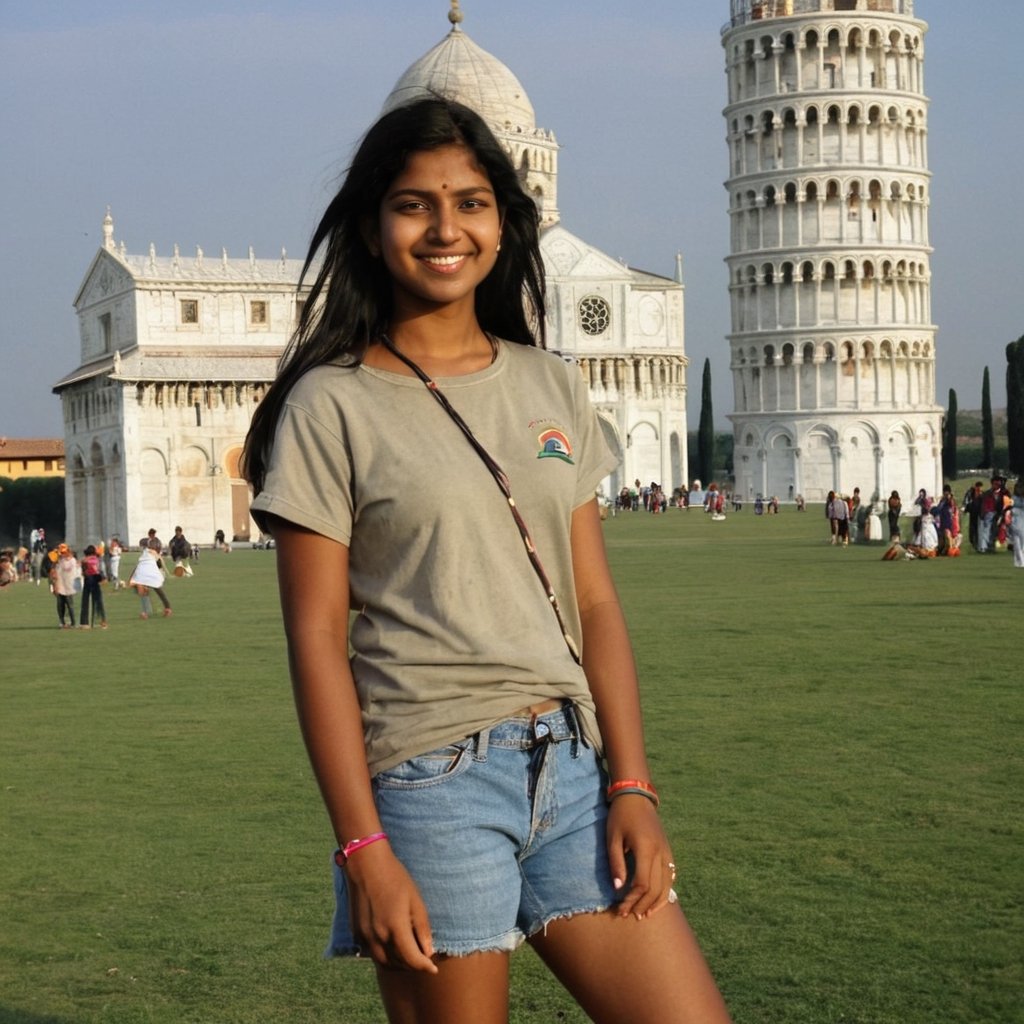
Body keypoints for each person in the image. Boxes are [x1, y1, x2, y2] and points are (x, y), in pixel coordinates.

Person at [242, 98, 731, 1024]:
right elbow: (316, 642)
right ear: (371, 225)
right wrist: (362, 850)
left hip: (576, 769)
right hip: (433, 782)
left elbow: (594, 603)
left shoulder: (550, 383)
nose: (444, 228)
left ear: (504, 223)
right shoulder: (330, 405)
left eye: (470, 202)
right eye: (414, 203)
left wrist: (634, 783)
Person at [128, 540, 173, 618]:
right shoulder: (147, 554)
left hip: (150, 575)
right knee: (155, 592)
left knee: (153, 592)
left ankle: (163, 609)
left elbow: (160, 566)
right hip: (148, 575)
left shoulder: (150, 554)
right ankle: (165, 609)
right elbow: (139, 565)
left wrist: (131, 578)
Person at [79, 544, 108, 629]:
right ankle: (102, 621)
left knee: (85, 601)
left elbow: (83, 572)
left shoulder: (84, 560)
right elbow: (101, 570)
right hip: (95, 580)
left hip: (87, 580)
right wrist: (104, 578)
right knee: (99, 601)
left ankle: (84, 623)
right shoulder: (97, 560)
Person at [50, 544, 80, 628]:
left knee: (70, 604)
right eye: (62, 552)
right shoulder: (58, 561)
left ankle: (73, 622)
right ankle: (62, 621)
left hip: (69, 585)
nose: (63, 554)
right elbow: (53, 569)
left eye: (64, 552)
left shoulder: (72, 561)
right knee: (60, 604)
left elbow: (75, 573)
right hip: (59, 584)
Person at [1009, 481, 1024, 569]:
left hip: (1020, 521)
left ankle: (1019, 562)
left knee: (1020, 543)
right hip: (1016, 522)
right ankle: (1020, 562)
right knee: (1018, 543)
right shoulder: (1014, 498)